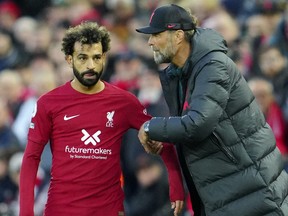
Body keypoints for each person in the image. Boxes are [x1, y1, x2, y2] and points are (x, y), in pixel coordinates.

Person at [136, 4, 288, 216]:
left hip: (252, 191)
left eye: (156, 34)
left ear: (178, 36)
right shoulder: (181, 73)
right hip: (226, 190)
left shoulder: (213, 64)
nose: (150, 42)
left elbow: (198, 124)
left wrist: (152, 127)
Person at [19, 21, 185, 216]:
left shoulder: (124, 102)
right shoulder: (49, 103)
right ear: (69, 59)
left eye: (97, 57)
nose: (91, 65)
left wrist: (176, 185)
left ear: (104, 58)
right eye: (83, 58)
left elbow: (163, 140)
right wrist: (26, 211)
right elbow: (31, 158)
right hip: (62, 209)